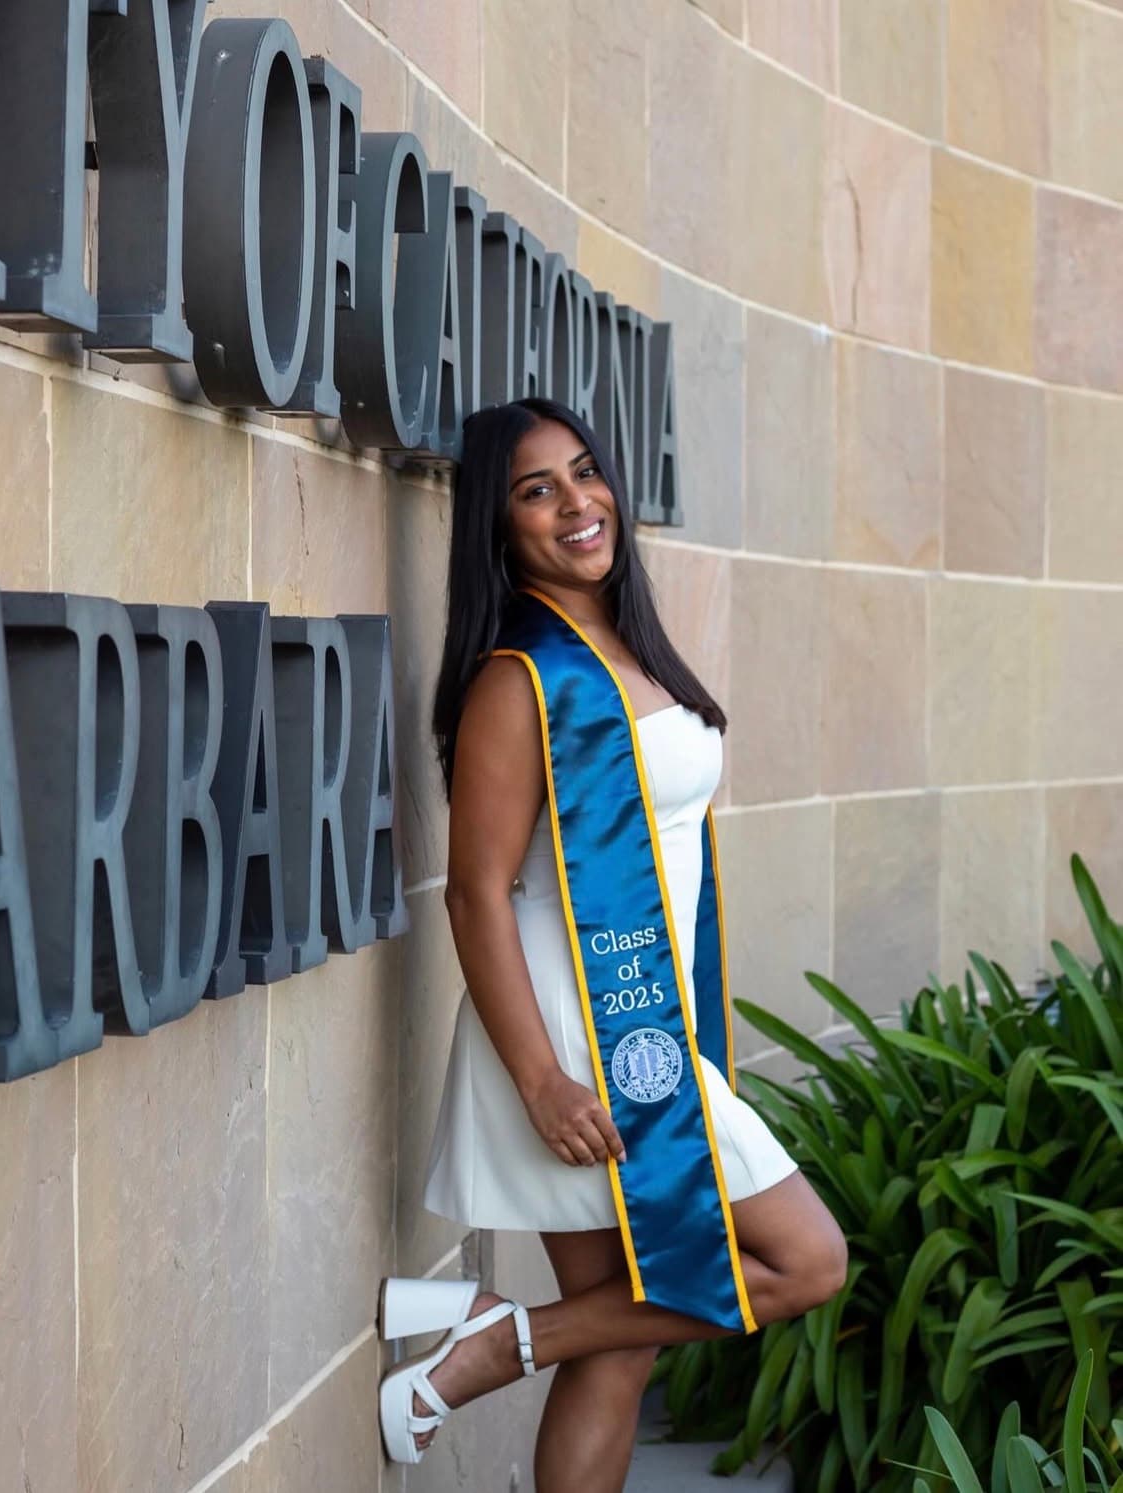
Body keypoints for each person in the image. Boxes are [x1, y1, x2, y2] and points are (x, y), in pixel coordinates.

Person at [377, 397, 848, 1490]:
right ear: (499, 528)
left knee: (627, 1335)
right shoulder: (518, 679)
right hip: (579, 1032)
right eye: (536, 490)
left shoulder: (620, 642)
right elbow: (476, 895)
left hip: (639, 1009)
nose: (578, 503)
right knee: (805, 1258)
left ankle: (498, 1333)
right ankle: (498, 1341)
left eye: (585, 473)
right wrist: (541, 1079)